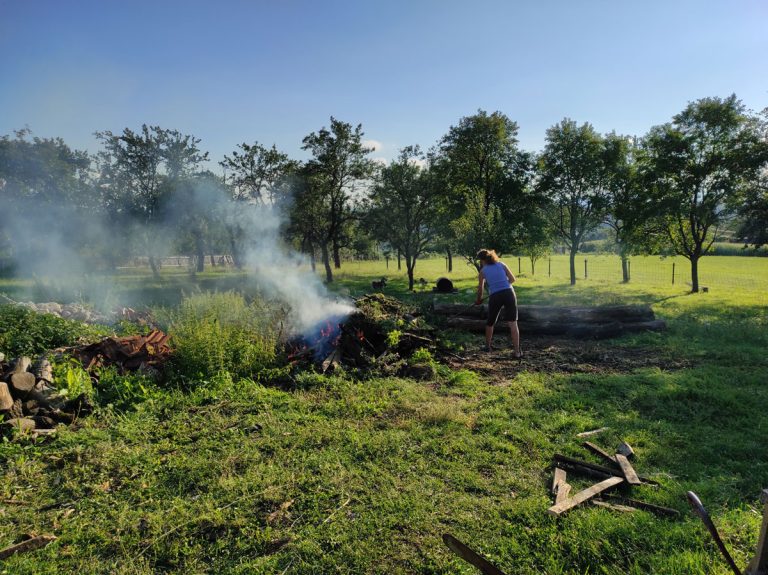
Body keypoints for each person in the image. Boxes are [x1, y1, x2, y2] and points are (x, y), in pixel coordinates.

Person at [475, 249, 521, 356]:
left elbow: (480, 289)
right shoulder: (501, 264)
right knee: (513, 323)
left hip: (495, 296)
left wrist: (479, 300)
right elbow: (512, 279)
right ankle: (517, 352)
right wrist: (503, 285)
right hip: (509, 293)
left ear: (482, 260)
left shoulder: (483, 271)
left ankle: (487, 347)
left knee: (490, 322)